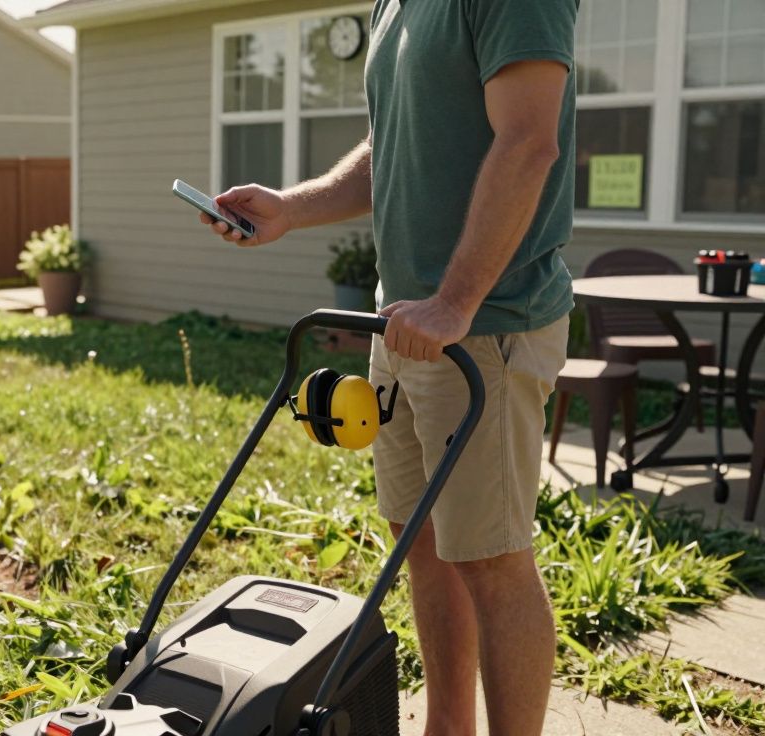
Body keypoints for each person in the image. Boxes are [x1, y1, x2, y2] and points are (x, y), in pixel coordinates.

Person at [200, 1, 577, 733]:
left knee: (493, 561)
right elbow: (394, 148)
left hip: (484, 326)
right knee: (424, 543)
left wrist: (456, 301)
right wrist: (290, 207)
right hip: (404, 322)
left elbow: (530, 141)